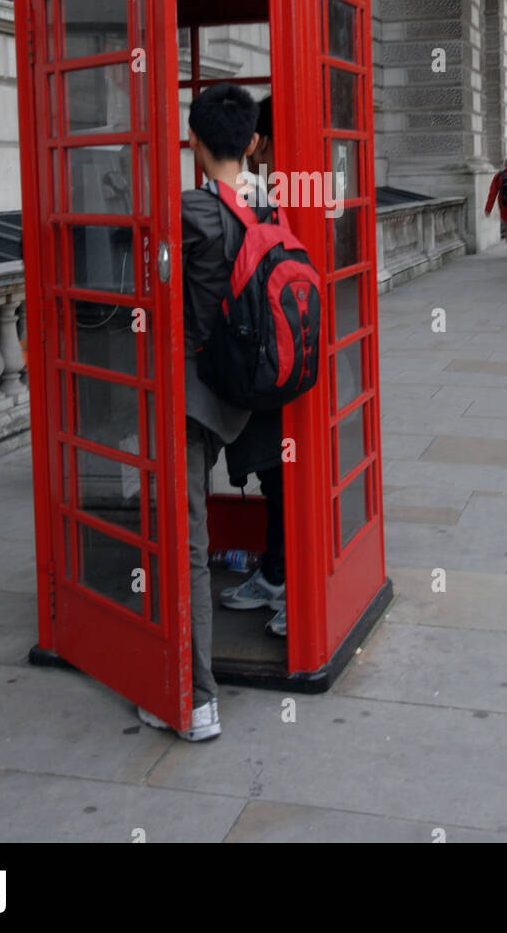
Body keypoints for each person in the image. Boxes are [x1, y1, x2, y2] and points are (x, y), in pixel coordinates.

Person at [138, 82, 266, 742]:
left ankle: (194, 698)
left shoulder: (185, 212)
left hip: (190, 392)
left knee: (187, 541)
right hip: (243, 395)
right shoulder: (265, 208)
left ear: (191, 139)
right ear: (250, 142)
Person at [221, 97, 287, 637]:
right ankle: (281, 572)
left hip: (266, 360)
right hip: (300, 357)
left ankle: (281, 574)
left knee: (276, 473)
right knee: (278, 474)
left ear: (257, 142)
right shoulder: (299, 194)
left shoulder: (253, 199)